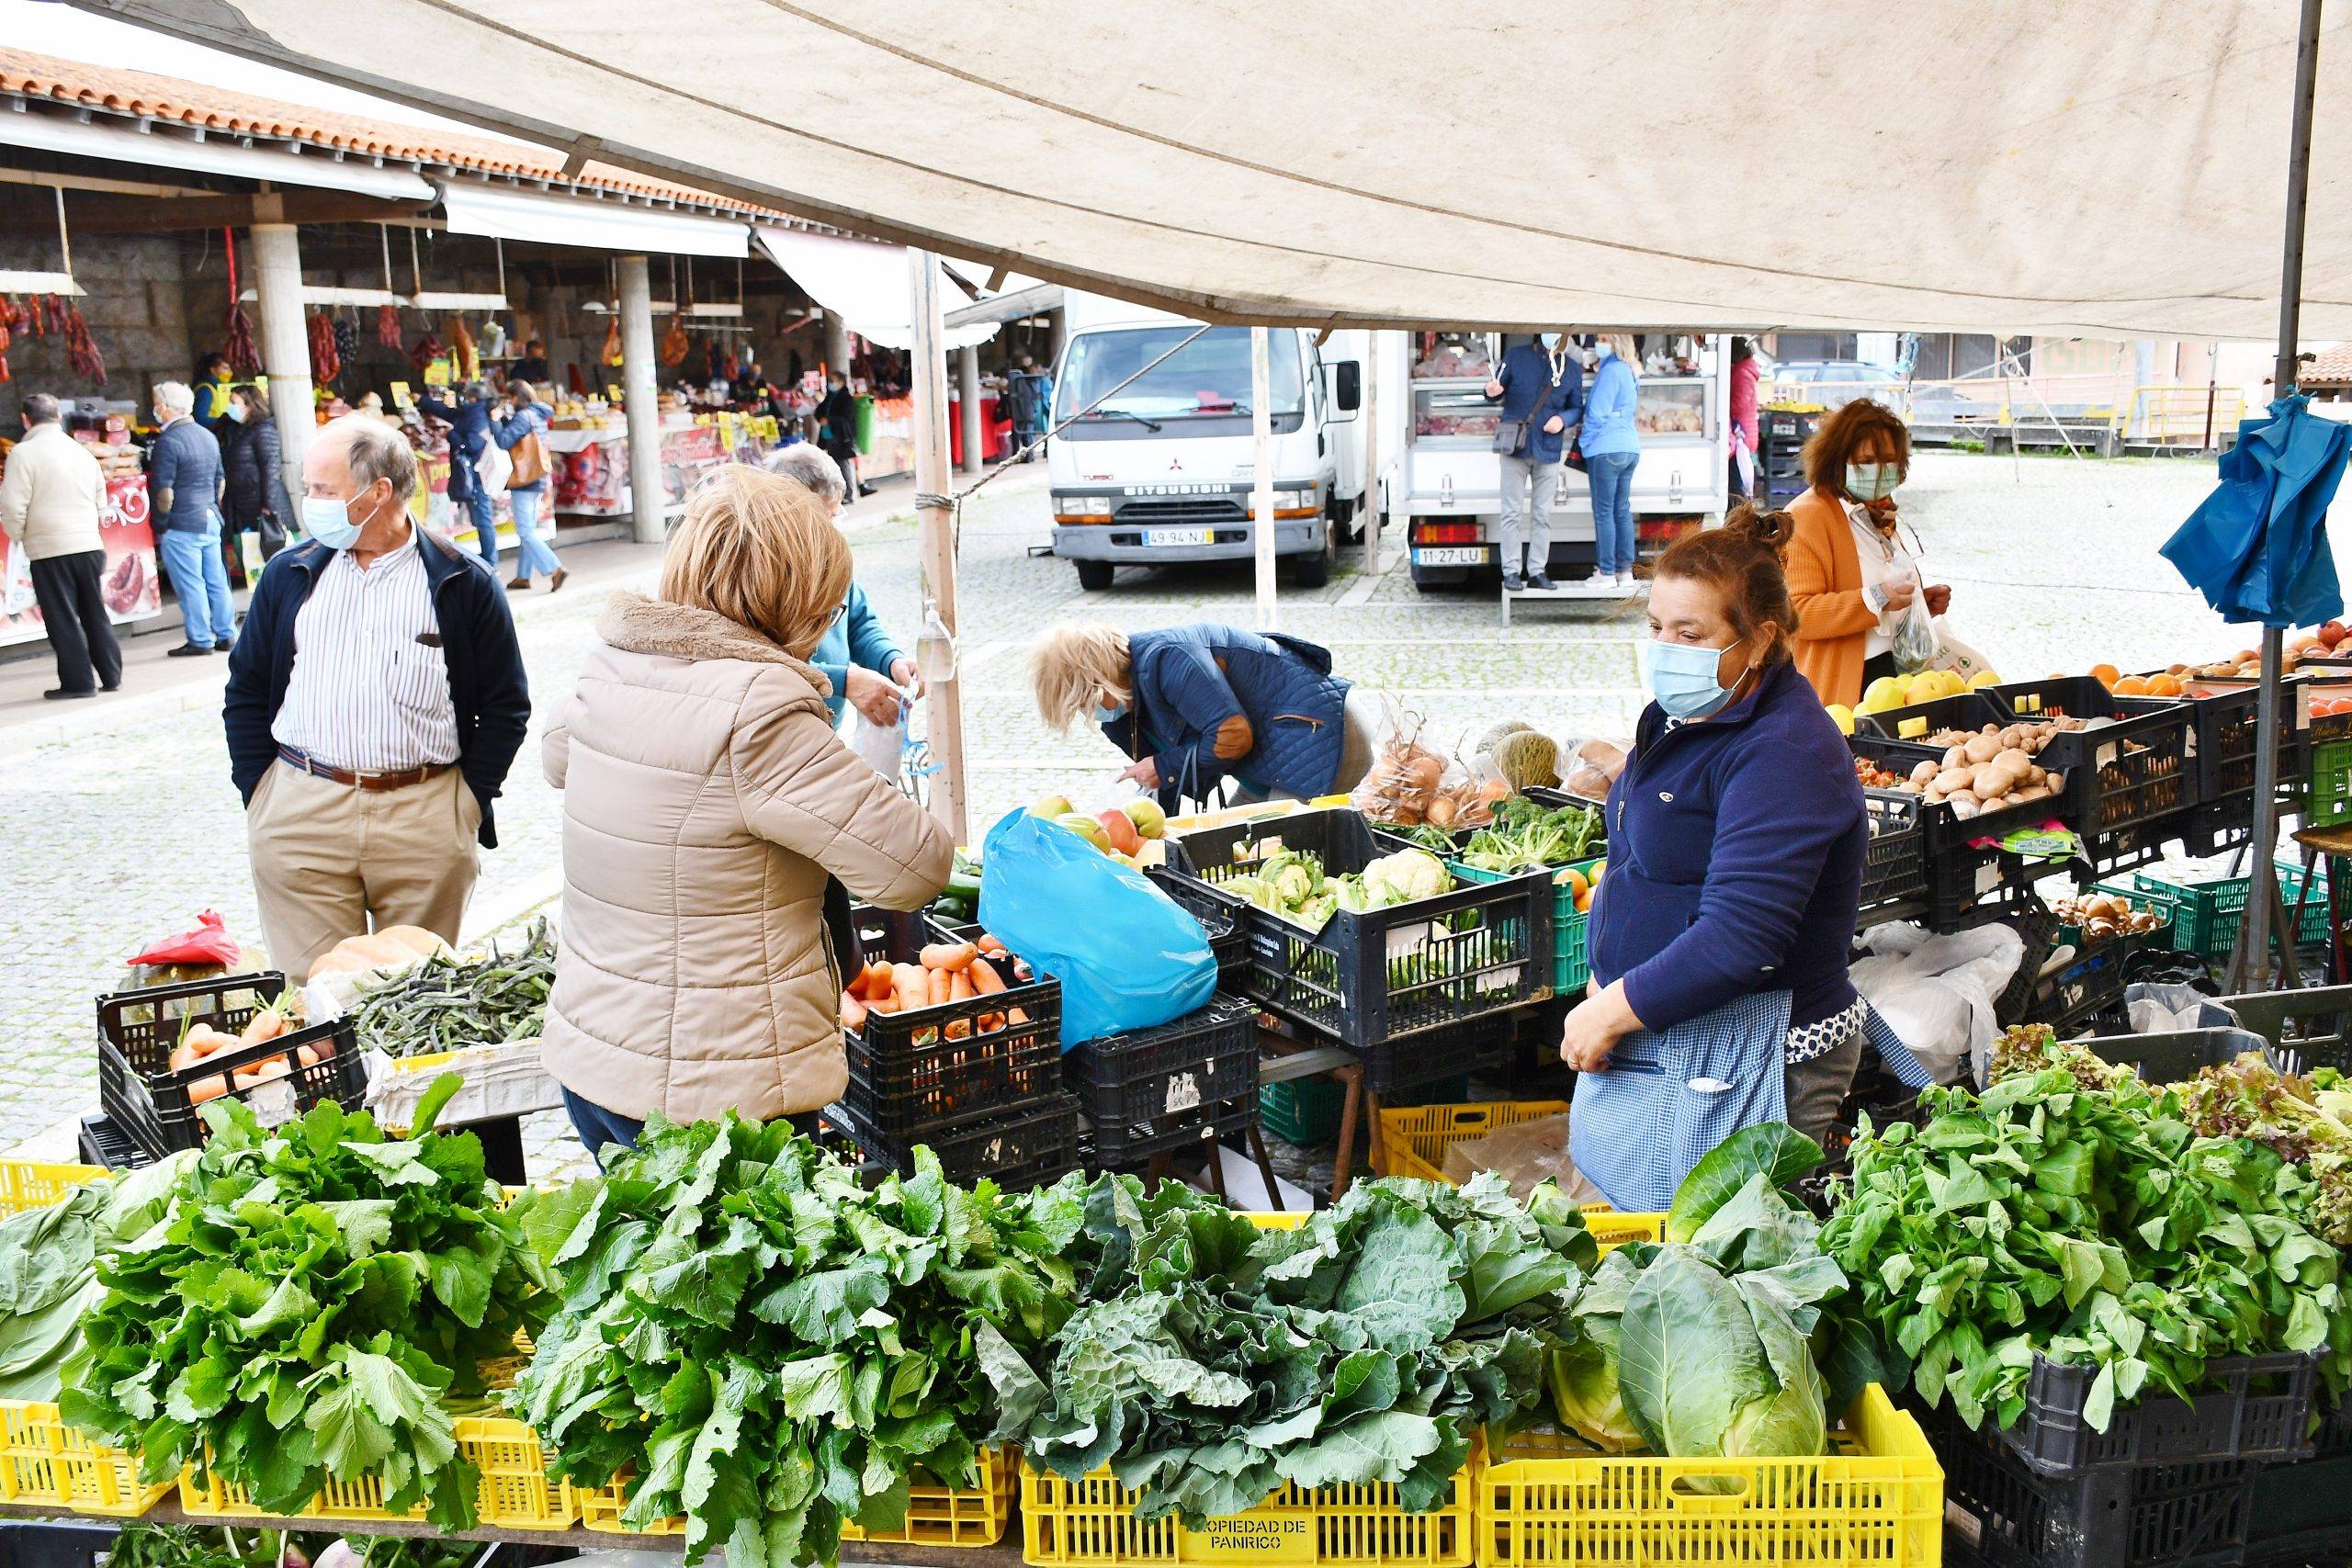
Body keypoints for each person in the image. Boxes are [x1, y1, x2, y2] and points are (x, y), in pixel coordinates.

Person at [538, 465, 955, 1164]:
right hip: (713, 1103)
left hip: (594, 1066)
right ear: (799, 596)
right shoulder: (758, 711)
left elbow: (558, 758)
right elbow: (918, 865)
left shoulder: (608, 668)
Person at [1555, 505, 1930, 1208]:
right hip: (1668, 1030)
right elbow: (1647, 859)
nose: (1666, 648)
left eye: (1690, 633)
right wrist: (1608, 982)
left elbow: (1741, 937)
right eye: (1657, 628)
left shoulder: (1786, 753)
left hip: (1750, 1052)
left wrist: (1613, 1011)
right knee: (1641, 1236)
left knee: (1716, 1265)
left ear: (1758, 641)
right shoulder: (1688, 713)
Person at [223, 415, 530, 979]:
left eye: (323, 490)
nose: (308, 504)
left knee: (413, 1001)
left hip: (424, 814)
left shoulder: (464, 582)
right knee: (315, 1003)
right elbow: (244, 688)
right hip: (301, 810)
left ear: (377, 492)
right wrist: (261, 793)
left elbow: (507, 706)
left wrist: (465, 802)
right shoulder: (289, 576)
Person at [1031, 620, 1375, 807]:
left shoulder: (1168, 659)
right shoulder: (1128, 706)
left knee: (1272, 857)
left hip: (1325, 739)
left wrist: (1162, 769)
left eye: (1082, 702)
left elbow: (1232, 735)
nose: (1086, 713)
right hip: (1279, 761)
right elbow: (1169, 777)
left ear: (1097, 681)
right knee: (1241, 847)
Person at [1783, 398, 1951, 707]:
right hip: (1845, 685)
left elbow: (1878, 588)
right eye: (1868, 460)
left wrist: (1916, 604)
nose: (1880, 469)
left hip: (1898, 683)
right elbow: (1797, 613)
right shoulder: (1807, 518)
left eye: (1889, 459)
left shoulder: (1879, 515)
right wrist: (1878, 597)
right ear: (1837, 460)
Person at [767, 443, 924, 729]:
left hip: (826, 729)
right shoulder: (756, 570)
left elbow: (859, 621)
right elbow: (764, 660)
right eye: (825, 516)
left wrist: (891, 660)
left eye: (835, 514)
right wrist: (845, 681)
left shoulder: (831, 558)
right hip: (779, 730)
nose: (832, 526)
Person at [0, 392, 120, 698]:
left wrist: (20, 537)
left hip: (51, 548)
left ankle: (79, 684)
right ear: (58, 417)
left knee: (62, 617)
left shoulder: (23, 453)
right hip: (89, 544)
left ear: (26, 419)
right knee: (95, 611)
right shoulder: (81, 450)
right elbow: (100, 497)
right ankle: (111, 675)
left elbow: (13, 507)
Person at [1482, 333, 1582, 591]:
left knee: (1542, 515)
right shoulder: (1516, 357)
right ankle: (1511, 571)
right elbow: (1496, 388)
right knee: (1511, 513)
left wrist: (1564, 419)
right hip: (1515, 447)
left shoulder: (1570, 368)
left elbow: (1576, 407)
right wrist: (1490, 391)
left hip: (1548, 450)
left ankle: (1537, 570)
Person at [147, 380, 237, 657]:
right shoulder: (206, 435)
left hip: (182, 522)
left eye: (156, 405)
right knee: (216, 580)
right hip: (210, 516)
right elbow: (220, 480)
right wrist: (212, 506)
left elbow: (164, 492)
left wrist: (161, 524)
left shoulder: (168, 441)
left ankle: (200, 639)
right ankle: (226, 634)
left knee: (191, 583)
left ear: (163, 407)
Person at [489, 380, 566, 592]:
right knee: (528, 530)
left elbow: (504, 441)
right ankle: (523, 576)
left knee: (525, 532)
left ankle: (555, 568)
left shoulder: (524, 416)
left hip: (525, 481)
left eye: (511, 398)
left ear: (517, 397)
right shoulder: (538, 415)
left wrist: (495, 421)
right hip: (537, 479)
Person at [1580, 333, 1643, 591]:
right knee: (1621, 511)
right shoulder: (1629, 370)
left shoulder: (1611, 371)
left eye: (1604, 338)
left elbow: (1597, 413)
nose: (1598, 342)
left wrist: (1586, 442)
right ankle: (1624, 572)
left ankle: (1605, 573)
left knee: (1604, 512)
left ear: (1616, 342)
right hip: (1630, 447)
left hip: (1606, 448)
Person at [414, 380, 498, 569]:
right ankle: (487, 560)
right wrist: (424, 400)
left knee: (483, 519)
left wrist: (451, 435)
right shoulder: (471, 412)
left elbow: (472, 444)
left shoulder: (477, 417)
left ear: (473, 398)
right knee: (480, 518)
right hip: (469, 474)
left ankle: (490, 562)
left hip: (476, 476)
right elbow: (448, 413)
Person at [219, 383, 294, 572]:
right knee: (250, 549)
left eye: (234, 403)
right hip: (242, 502)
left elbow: (271, 468)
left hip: (260, 501)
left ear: (250, 404)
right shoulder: (236, 430)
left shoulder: (263, 430)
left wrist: (268, 504)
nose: (230, 407)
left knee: (269, 548)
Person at [817, 369, 873, 498]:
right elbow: (820, 412)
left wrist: (830, 420)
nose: (830, 384)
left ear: (841, 382)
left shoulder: (846, 398)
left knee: (844, 465)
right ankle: (840, 494)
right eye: (829, 381)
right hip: (829, 436)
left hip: (841, 437)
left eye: (833, 381)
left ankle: (849, 494)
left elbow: (847, 419)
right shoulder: (830, 397)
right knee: (834, 466)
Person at [1727, 337, 1761, 501]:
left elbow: (1738, 404)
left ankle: (1737, 511)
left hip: (1741, 433)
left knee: (1736, 478)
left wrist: (1721, 406)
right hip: (1742, 432)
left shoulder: (1742, 373)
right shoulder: (1744, 371)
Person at [191, 353, 237, 434]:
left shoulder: (219, 387)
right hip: (210, 433)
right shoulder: (205, 390)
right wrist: (224, 422)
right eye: (225, 368)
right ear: (213, 370)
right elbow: (200, 418)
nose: (230, 372)